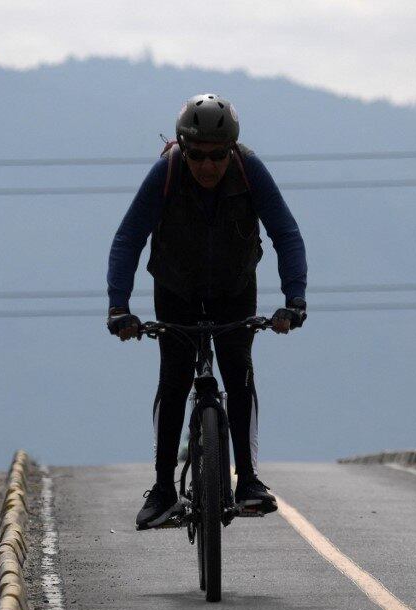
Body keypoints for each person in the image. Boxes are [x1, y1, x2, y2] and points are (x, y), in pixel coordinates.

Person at [106, 93, 308, 530]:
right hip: (176, 289)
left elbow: (286, 234)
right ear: (182, 147)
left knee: (239, 374)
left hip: (235, 289)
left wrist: (294, 301)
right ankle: (162, 489)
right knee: (174, 379)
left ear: (231, 150)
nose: (207, 166)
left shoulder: (250, 170)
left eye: (217, 156)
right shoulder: (167, 172)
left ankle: (248, 480)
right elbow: (128, 238)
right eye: (196, 155)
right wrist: (119, 307)